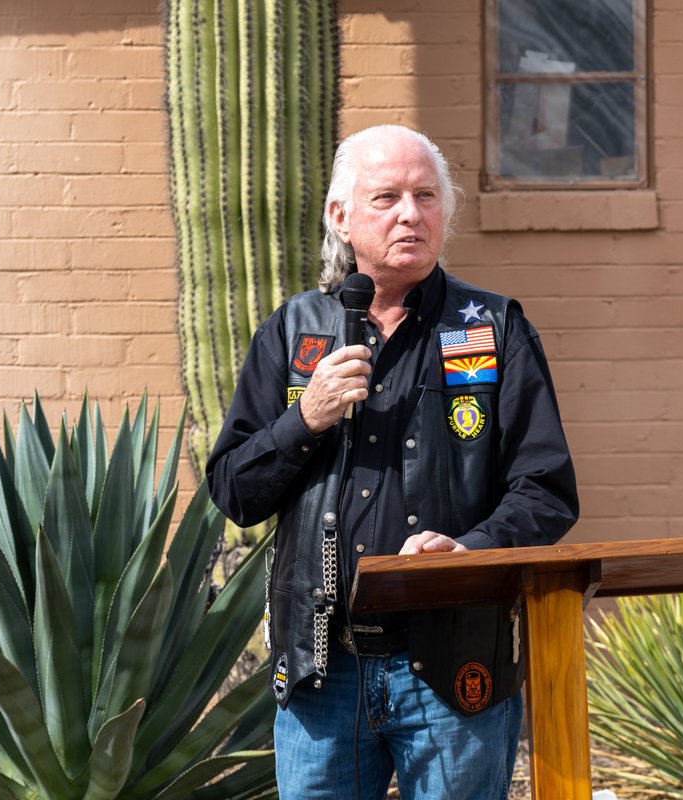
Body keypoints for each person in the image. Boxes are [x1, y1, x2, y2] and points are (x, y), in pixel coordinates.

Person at [205, 124, 579, 799]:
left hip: (451, 663)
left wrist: (471, 548)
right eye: (387, 197)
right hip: (324, 670)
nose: (411, 213)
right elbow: (235, 491)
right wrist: (306, 418)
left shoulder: (492, 329)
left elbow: (546, 489)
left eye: (426, 196)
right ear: (341, 217)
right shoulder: (292, 333)